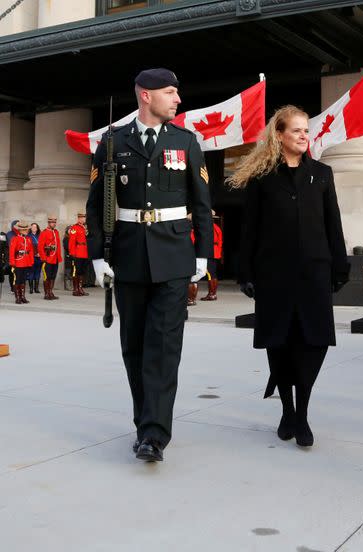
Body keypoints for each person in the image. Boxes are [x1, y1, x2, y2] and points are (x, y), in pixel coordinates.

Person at [87, 68, 213, 463]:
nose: (178, 100)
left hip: (174, 256)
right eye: (171, 93)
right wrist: (95, 256)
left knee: (163, 346)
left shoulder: (186, 142)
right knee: (135, 346)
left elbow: (203, 205)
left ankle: (154, 435)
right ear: (146, 96)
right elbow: (95, 204)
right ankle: (145, 423)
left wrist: (203, 256)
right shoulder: (112, 142)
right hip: (127, 256)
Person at [233, 105, 349, 449]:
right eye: (296, 130)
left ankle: (303, 412)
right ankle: (287, 409)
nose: (303, 136)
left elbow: (333, 224)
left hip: (314, 272)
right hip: (274, 274)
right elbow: (249, 229)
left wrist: (340, 266)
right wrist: (245, 271)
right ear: (279, 135)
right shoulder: (261, 178)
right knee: (279, 342)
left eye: (306, 131)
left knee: (314, 342)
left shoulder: (323, 174)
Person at [38, 214, 63, 300]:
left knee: (53, 276)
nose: (54, 224)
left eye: (55, 222)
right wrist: (44, 258)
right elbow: (40, 247)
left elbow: (58, 245)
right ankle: (46, 293)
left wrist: (58, 257)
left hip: (55, 258)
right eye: (52, 222)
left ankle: (50, 292)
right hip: (48, 259)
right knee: (47, 277)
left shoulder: (56, 232)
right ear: (49, 223)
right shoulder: (44, 232)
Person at [200, 211, 223, 301]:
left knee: (210, 274)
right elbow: (220, 242)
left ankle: (211, 294)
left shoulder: (208, 228)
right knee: (213, 273)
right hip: (215, 251)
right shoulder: (217, 227)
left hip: (209, 251)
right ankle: (213, 294)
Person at [9, 221, 33, 304]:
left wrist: (31, 262)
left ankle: (23, 296)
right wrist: (12, 263)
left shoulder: (28, 239)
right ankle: (18, 297)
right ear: (20, 230)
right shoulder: (15, 239)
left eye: (27, 229)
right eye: (25, 229)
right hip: (18, 262)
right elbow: (12, 252)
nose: (27, 231)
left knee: (23, 280)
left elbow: (30, 251)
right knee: (17, 280)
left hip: (26, 262)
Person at [68, 213, 90, 296]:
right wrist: (72, 253)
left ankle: (80, 288)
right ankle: (75, 289)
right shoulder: (75, 228)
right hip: (77, 252)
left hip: (84, 252)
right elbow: (71, 242)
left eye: (85, 217)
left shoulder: (85, 227)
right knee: (76, 271)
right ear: (79, 218)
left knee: (82, 272)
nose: (84, 219)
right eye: (83, 217)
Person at [27, 222, 42, 294]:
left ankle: (36, 288)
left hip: (39, 257)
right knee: (31, 272)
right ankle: (31, 289)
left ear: (37, 228)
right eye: (33, 227)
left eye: (35, 227)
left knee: (38, 272)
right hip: (31, 257)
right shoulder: (28, 236)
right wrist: (34, 254)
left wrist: (40, 253)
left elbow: (42, 246)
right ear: (31, 228)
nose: (34, 228)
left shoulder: (40, 235)